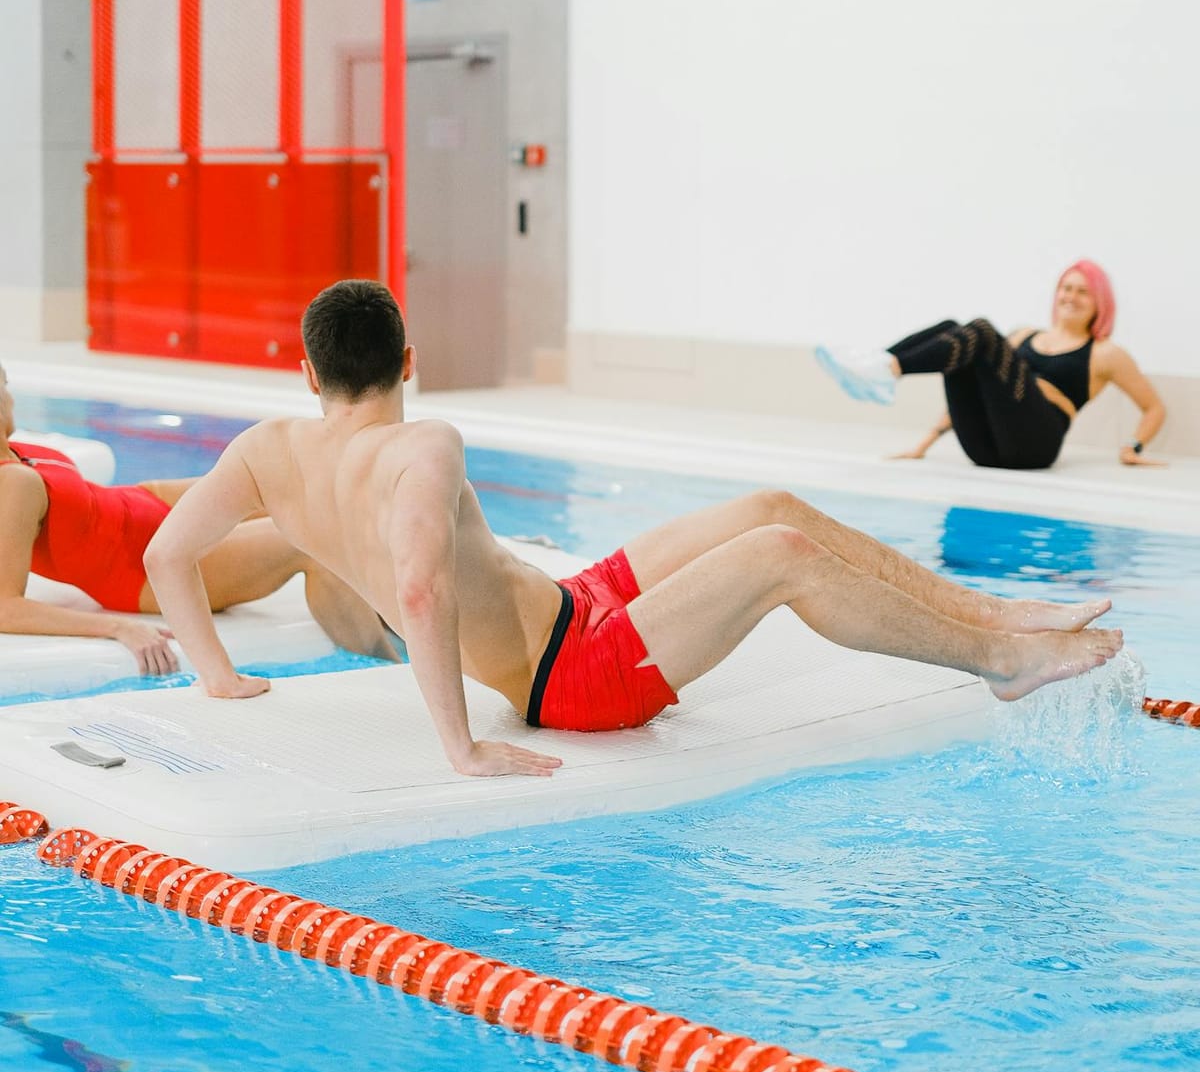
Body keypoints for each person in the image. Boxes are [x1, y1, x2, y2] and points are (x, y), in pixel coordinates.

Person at [144, 281, 1124, 782]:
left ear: (309, 376)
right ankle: (996, 656)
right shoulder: (422, 444)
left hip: (574, 609)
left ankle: (1000, 611)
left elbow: (168, 554)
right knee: (780, 559)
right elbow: (417, 588)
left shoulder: (266, 450)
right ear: (409, 359)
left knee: (770, 507)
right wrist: (462, 747)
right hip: (570, 678)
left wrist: (215, 672)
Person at [0, 360, 394, 678]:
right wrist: (118, 628)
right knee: (308, 543)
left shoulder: (22, 451)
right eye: (5, 385)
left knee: (290, 486)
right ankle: (391, 670)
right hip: (141, 567)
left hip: (146, 504)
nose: (10, 394)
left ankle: (393, 615)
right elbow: (5, 607)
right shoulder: (11, 484)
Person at [815, 261, 1166, 472]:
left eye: (1082, 292)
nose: (1070, 297)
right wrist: (924, 445)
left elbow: (1153, 408)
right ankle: (879, 365)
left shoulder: (1106, 353)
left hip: (1036, 447)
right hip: (984, 447)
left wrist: (1132, 448)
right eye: (1065, 288)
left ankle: (884, 368)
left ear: (1099, 303)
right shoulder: (1024, 335)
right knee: (956, 331)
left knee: (980, 330)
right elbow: (972, 382)